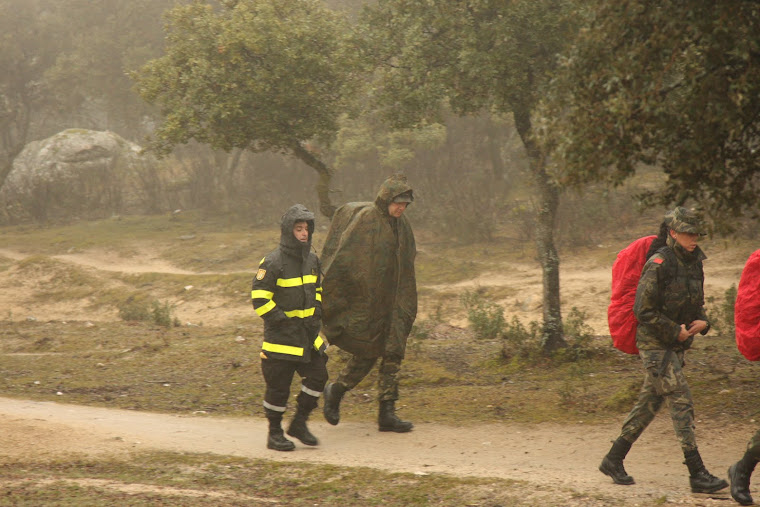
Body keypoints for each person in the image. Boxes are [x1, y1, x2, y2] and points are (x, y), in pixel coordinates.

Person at [599, 206, 728, 493]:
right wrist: (674, 330)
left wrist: (703, 322)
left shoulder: (695, 263)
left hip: (676, 343)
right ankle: (697, 473)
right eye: (687, 233)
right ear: (672, 233)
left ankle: (613, 458)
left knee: (650, 402)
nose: (693, 238)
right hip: (654, 344)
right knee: (681, 400)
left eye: (696, 233)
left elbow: (696, 303)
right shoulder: (658, 262)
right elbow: (642, 310)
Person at [320, 174, 417, 433]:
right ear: (385, 200)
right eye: (397, 203)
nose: (401, 208)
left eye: (405, 204)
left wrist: (405, 300)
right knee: (368, 352)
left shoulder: (402, 225)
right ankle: (336, 391)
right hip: (369, 300)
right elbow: (345, 259)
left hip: (395, 299)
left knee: (394, 351)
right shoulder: (367, 221)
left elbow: (407, 261)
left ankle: (387, 412)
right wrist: (342, 296)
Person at [251, 204, 328, 451]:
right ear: (288, 231)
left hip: (307, 337)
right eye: (298, 229)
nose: (304, 234)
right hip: (281, 341)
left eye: (306, 228)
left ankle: (299, 423)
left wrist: (316, 313)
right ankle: (274, 434)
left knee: (318, 377)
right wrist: (282, 321)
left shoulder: (313, 260)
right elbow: (260, 299)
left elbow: (317, 290)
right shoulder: (272, 262)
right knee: (278, 389)